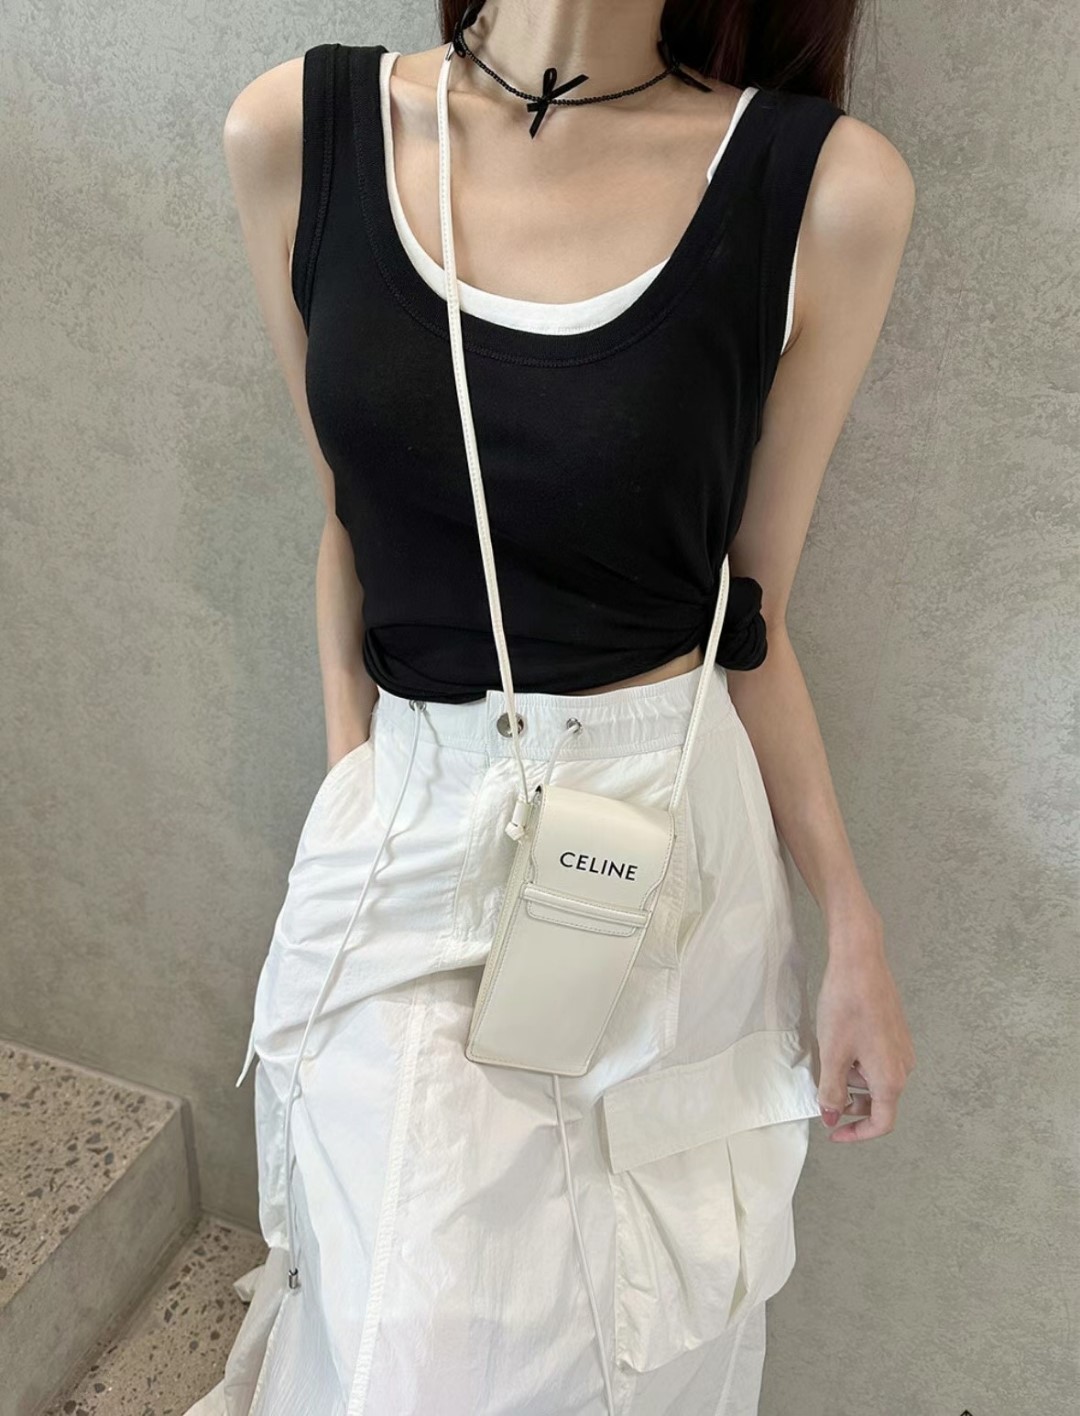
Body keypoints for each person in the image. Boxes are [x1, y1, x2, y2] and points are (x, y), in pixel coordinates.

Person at [189, 1, 916, 1411]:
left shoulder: (824, 189)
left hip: (665, 835)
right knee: (409, 1346)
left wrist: (852, 925)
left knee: (635, 1331)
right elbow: (348, 521)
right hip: (413, 809)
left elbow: (750, 613)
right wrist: (355, 790)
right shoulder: (299, 133)